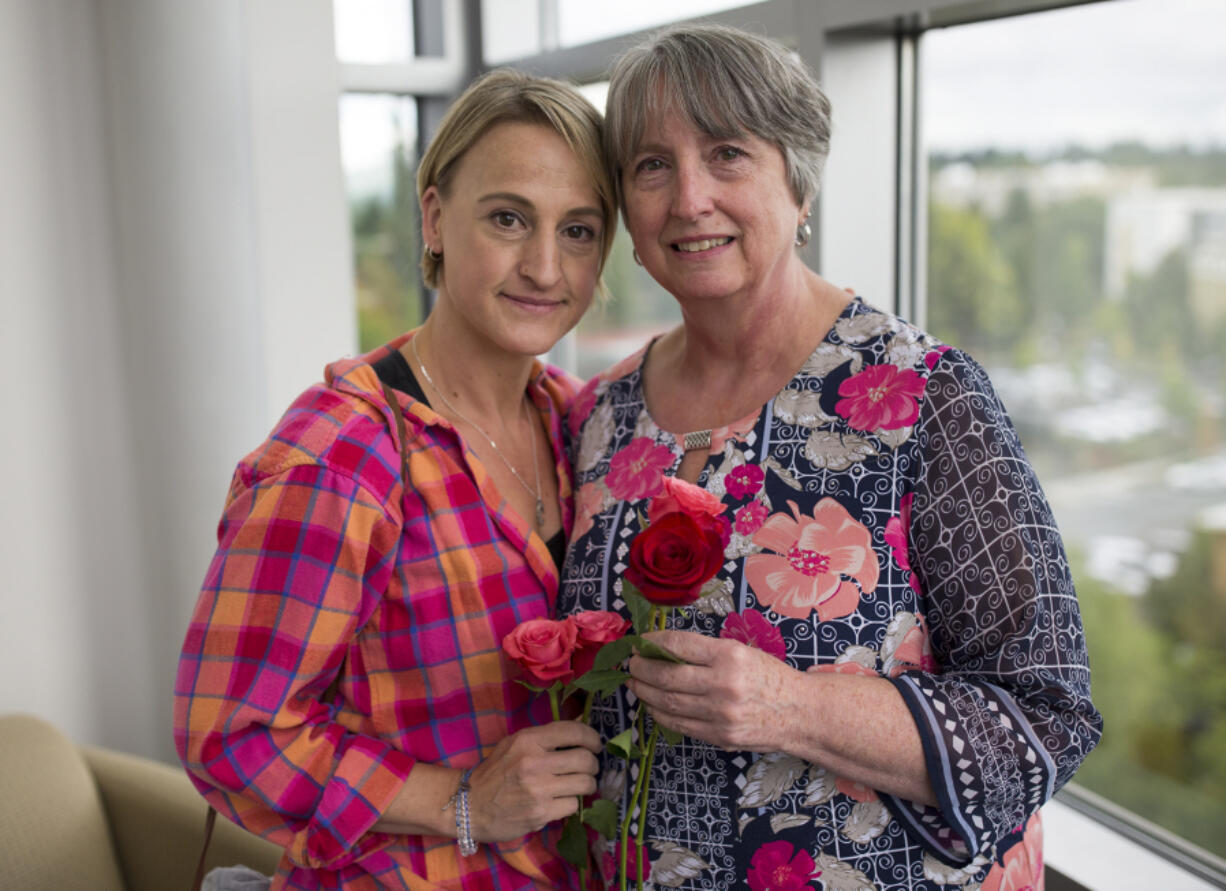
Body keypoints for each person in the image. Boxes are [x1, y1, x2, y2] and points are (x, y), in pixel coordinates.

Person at [559, 23, 1102, 891]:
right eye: (651, 164)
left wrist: (795, 707)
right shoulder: (601, 416)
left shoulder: (925, 396)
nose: (689, 196)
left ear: (798, 180)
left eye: (727, 153)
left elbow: (1048, 716)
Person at [175, 68, 617, 890]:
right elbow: (231, 733)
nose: (545, 267)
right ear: (434, 215)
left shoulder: (576, 422)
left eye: (580, 230)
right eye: (509, 217)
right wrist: (462, 802)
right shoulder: (343, 452)